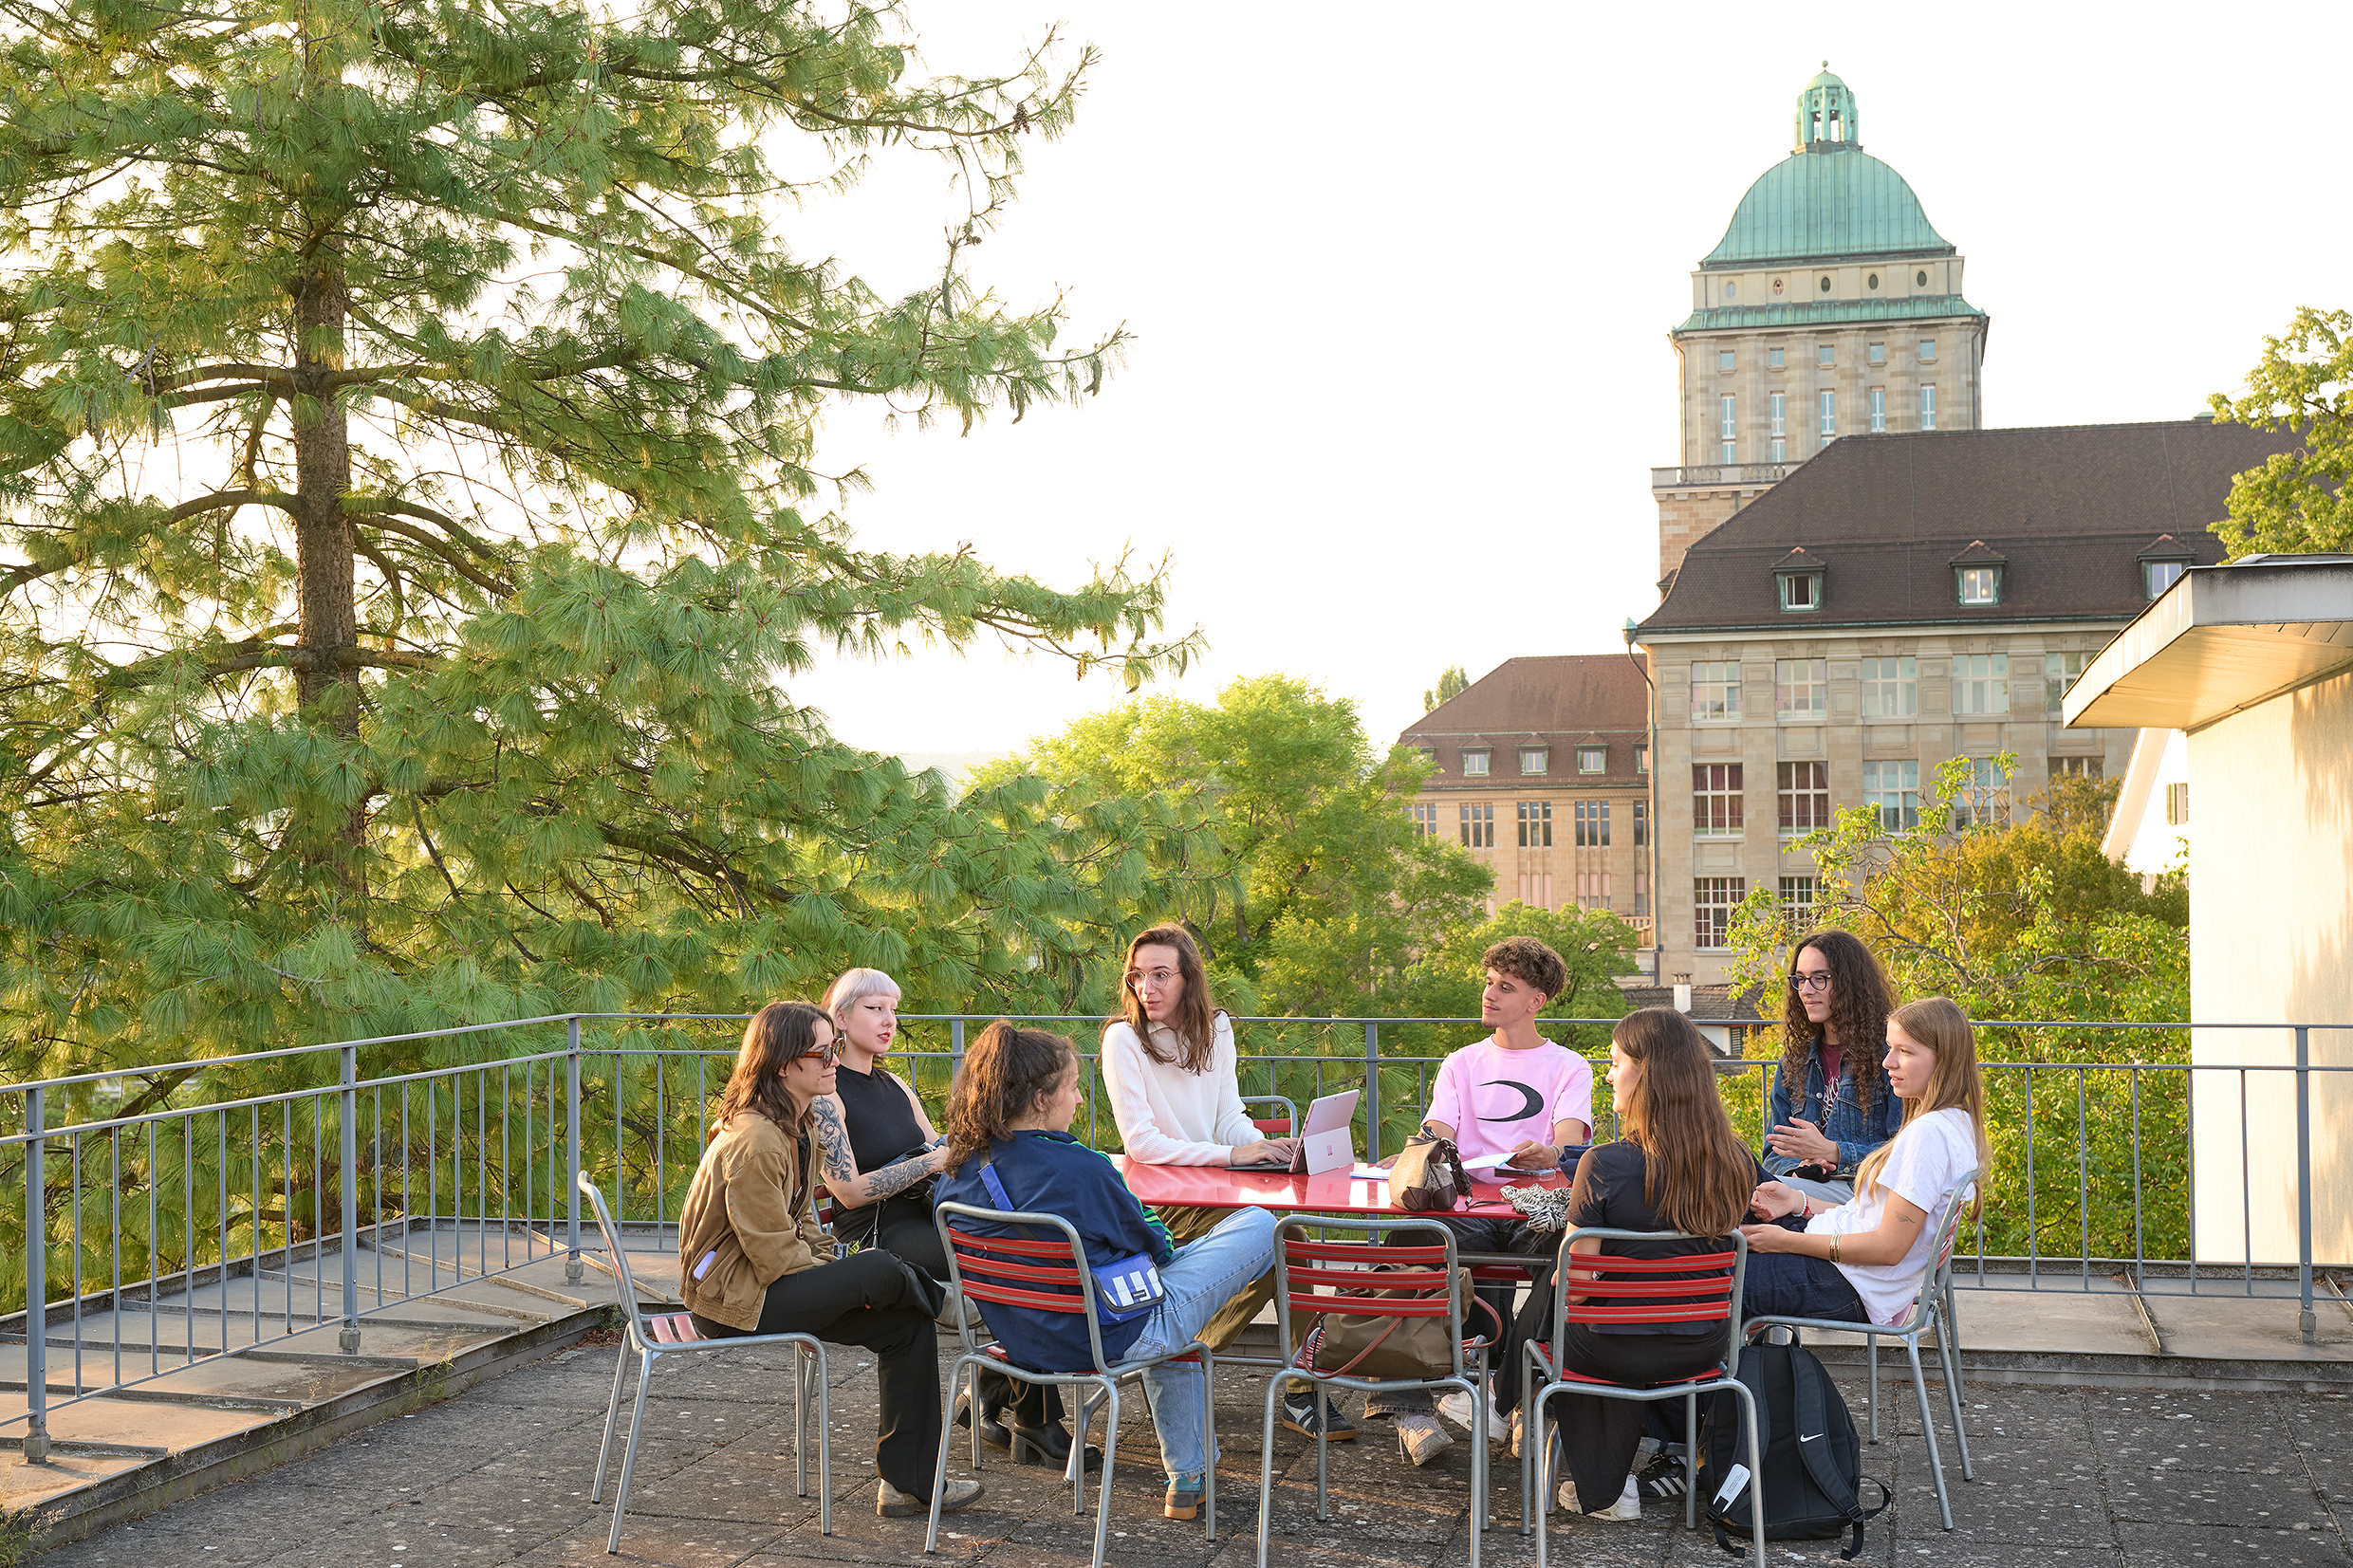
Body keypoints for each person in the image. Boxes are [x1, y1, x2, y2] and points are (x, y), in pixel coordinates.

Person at [936, 1021, 1281, 1522]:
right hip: (1113, 1336)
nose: (1078, 1101)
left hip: (1021, 1343)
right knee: (1260, 1224)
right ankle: (1192, 1470)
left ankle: (1190, 1478)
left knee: (1175, 1326)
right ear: (1039, 1098)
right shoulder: (1081, 1168)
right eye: (1073, 1088)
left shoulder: (957, 1172)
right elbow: (1157, 1246)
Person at [676, 1002, 982, 1520]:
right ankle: (948, 1303)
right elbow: (776, 1257)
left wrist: (839, 1265)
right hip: (731, 1301)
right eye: (822, 1052)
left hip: (764, 1283)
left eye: (834, 1048)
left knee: (906, 1323)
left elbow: (805, 1233)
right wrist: (850, 1275)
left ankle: (907, 1483)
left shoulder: (794, 1127)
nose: (833, 1061)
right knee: (881, 1267)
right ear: (782, 1065)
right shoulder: (755, 1141)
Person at [806, 967, 1087, 1468]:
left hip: (925, 1216)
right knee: (1007, 1264)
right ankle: (1026, 1412)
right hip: (875, 1235)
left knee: (1025, 1254)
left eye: (893, 1010)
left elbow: (945, 1154)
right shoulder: (827, 1095)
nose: (889, 1020)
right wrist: (931, 1160)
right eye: (875, 1009)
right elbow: (847, 1193)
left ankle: (1003, 1398)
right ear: (841, 1018)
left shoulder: (896, 1085)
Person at [1099, 924, 1347, 1442]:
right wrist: (1233, 1156)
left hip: (1211, 1192)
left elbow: (1227, 1114)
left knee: (1289, 1240)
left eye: (1162, 975)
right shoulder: (1123, 1038)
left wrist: (1264, 1148)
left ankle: (1203, 1357)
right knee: (1286, 1240)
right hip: (1157, 1203)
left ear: (1189, 979)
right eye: (1138, 976)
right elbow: (1142, 1144)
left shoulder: (1216, 1029)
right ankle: (1205, 1359)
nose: (1148, 988)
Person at [1524, 1008, 1760, 1522]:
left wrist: (1567, 1279)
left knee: (1564, 1305)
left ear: (1646, 1073)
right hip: (1703, 1348)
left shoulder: (1603, 1164)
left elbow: (1579, 1291)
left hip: (1612, 1353)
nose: (1608, 1074)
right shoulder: (1737, 1159)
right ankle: (1522, 1423)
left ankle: (1599, 1484)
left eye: (1614, 1063)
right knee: (1585, 1302)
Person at [1366, 934, 1594, 1467]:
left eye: (1505, 987)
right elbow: (1437, 1130)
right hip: (1467, 1204)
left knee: (1572, 1252)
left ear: (1536, 1002)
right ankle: (1411, 1406)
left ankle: (1517, 1393)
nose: (1489, 994)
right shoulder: (1461, 1062)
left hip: (1531, 1205)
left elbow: (1567, 1139)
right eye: (1489, 982)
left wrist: (1550, 1152)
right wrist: (1420, 1150)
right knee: (1412, 1241)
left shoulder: (1568, 1065)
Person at [1741, 996, 1992, 1331]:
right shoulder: (1954, 1123)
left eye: (1905, 1051)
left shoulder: (1928, 1135)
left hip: (1846, 1282)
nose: (1888, 1062)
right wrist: (1797, 1202)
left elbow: (1888, 1247)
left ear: (1942, 1060)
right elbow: (1869, 1217)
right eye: (1890, 1048)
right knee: (1738, 1165)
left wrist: (1784, 1242)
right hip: (1840, 1263)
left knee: (1716, 1281)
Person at [1762, 930, 1903, 1206]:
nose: (1805, 990)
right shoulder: (1794, 1063)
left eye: (1819, 978)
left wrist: (1834, 1152)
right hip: (1803, 1188)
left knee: (1750, 1198)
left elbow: (1903, 1153)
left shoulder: (1890, 1058)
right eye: (1800, 979)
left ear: (1850, 983)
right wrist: (1799, 1168)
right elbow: (1773, 1153)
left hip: (1865, 1193)